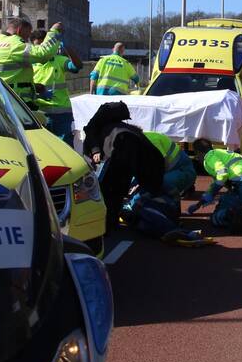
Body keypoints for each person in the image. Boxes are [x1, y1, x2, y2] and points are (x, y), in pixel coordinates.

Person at [82, 101, 164, 229]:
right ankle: (109, 221)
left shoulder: (106, 129)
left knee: (108, 191)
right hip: (119, 162)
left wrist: (95, 152)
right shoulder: (128, 132)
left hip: (116, 161)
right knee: (114, 191)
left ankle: (106, 222)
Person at [0, 18, 62, 106]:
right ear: (19, 30)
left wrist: (32, 86)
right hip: (15, 104)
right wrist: (55, 31)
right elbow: (43, 54)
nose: (27, 40)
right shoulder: (14, 44)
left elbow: (4, 76)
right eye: (27, 34)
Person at [188, 140, 242, 232]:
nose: (197, 158)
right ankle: (235, 211)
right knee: (228, 198)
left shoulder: (209, 157)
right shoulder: (223, 153)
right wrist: (202, 202)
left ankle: (231, 214)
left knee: (216, 218)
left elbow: (222, 174)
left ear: (198, 152)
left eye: (196, 155)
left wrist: (211, 193)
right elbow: (224, 181)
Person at [31, 29, 83, 144]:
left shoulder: (59, 60)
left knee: (64, 147)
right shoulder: (30, 64)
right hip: (38, 112)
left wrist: (68, 48)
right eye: (37, 46)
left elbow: (77, 66)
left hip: (61, 113)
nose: (40, 49)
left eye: (42, 45)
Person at [143, 131, 196, 199]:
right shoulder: (144, 137)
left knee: (156, 185)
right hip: (176, 170)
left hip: (184, 171)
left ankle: (178, 191)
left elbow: (164, 163)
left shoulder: (151, 140)